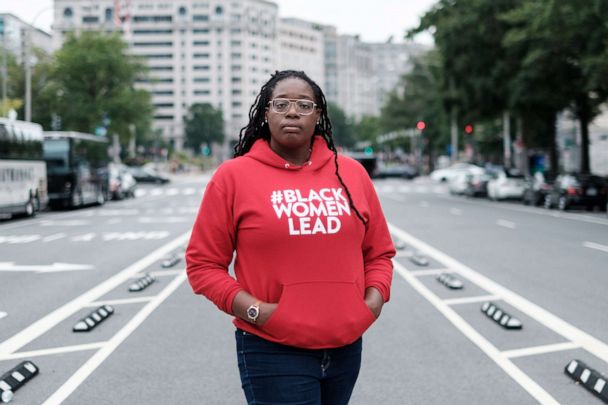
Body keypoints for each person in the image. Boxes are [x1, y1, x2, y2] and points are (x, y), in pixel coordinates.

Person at [186, 70, 395, 405]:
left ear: (318, 115)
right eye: (281, 104)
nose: (292, 112)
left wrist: (372, 302)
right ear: (265, 114)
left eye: (304, 104)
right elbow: (203, 265)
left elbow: (379, 253)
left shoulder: (352, 174)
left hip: (344, 348)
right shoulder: (233, 177)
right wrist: (257, 311)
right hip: (272, 349)